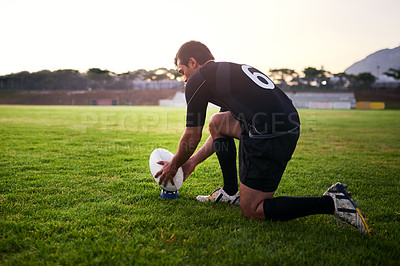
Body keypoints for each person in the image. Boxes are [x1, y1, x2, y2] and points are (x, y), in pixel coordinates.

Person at [155, 41, 370, 234]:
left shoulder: (198, 80)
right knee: (218, 122)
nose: (184, 79)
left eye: (183, 72)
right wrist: (192, 162)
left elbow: (192, 135)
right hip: (282, 123)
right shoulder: (227, 71)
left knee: (253, 209)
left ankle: (331, 202)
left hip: (271, 133)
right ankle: (230, 192)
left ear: (192, 62)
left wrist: (175, 164)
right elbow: (219, 129)